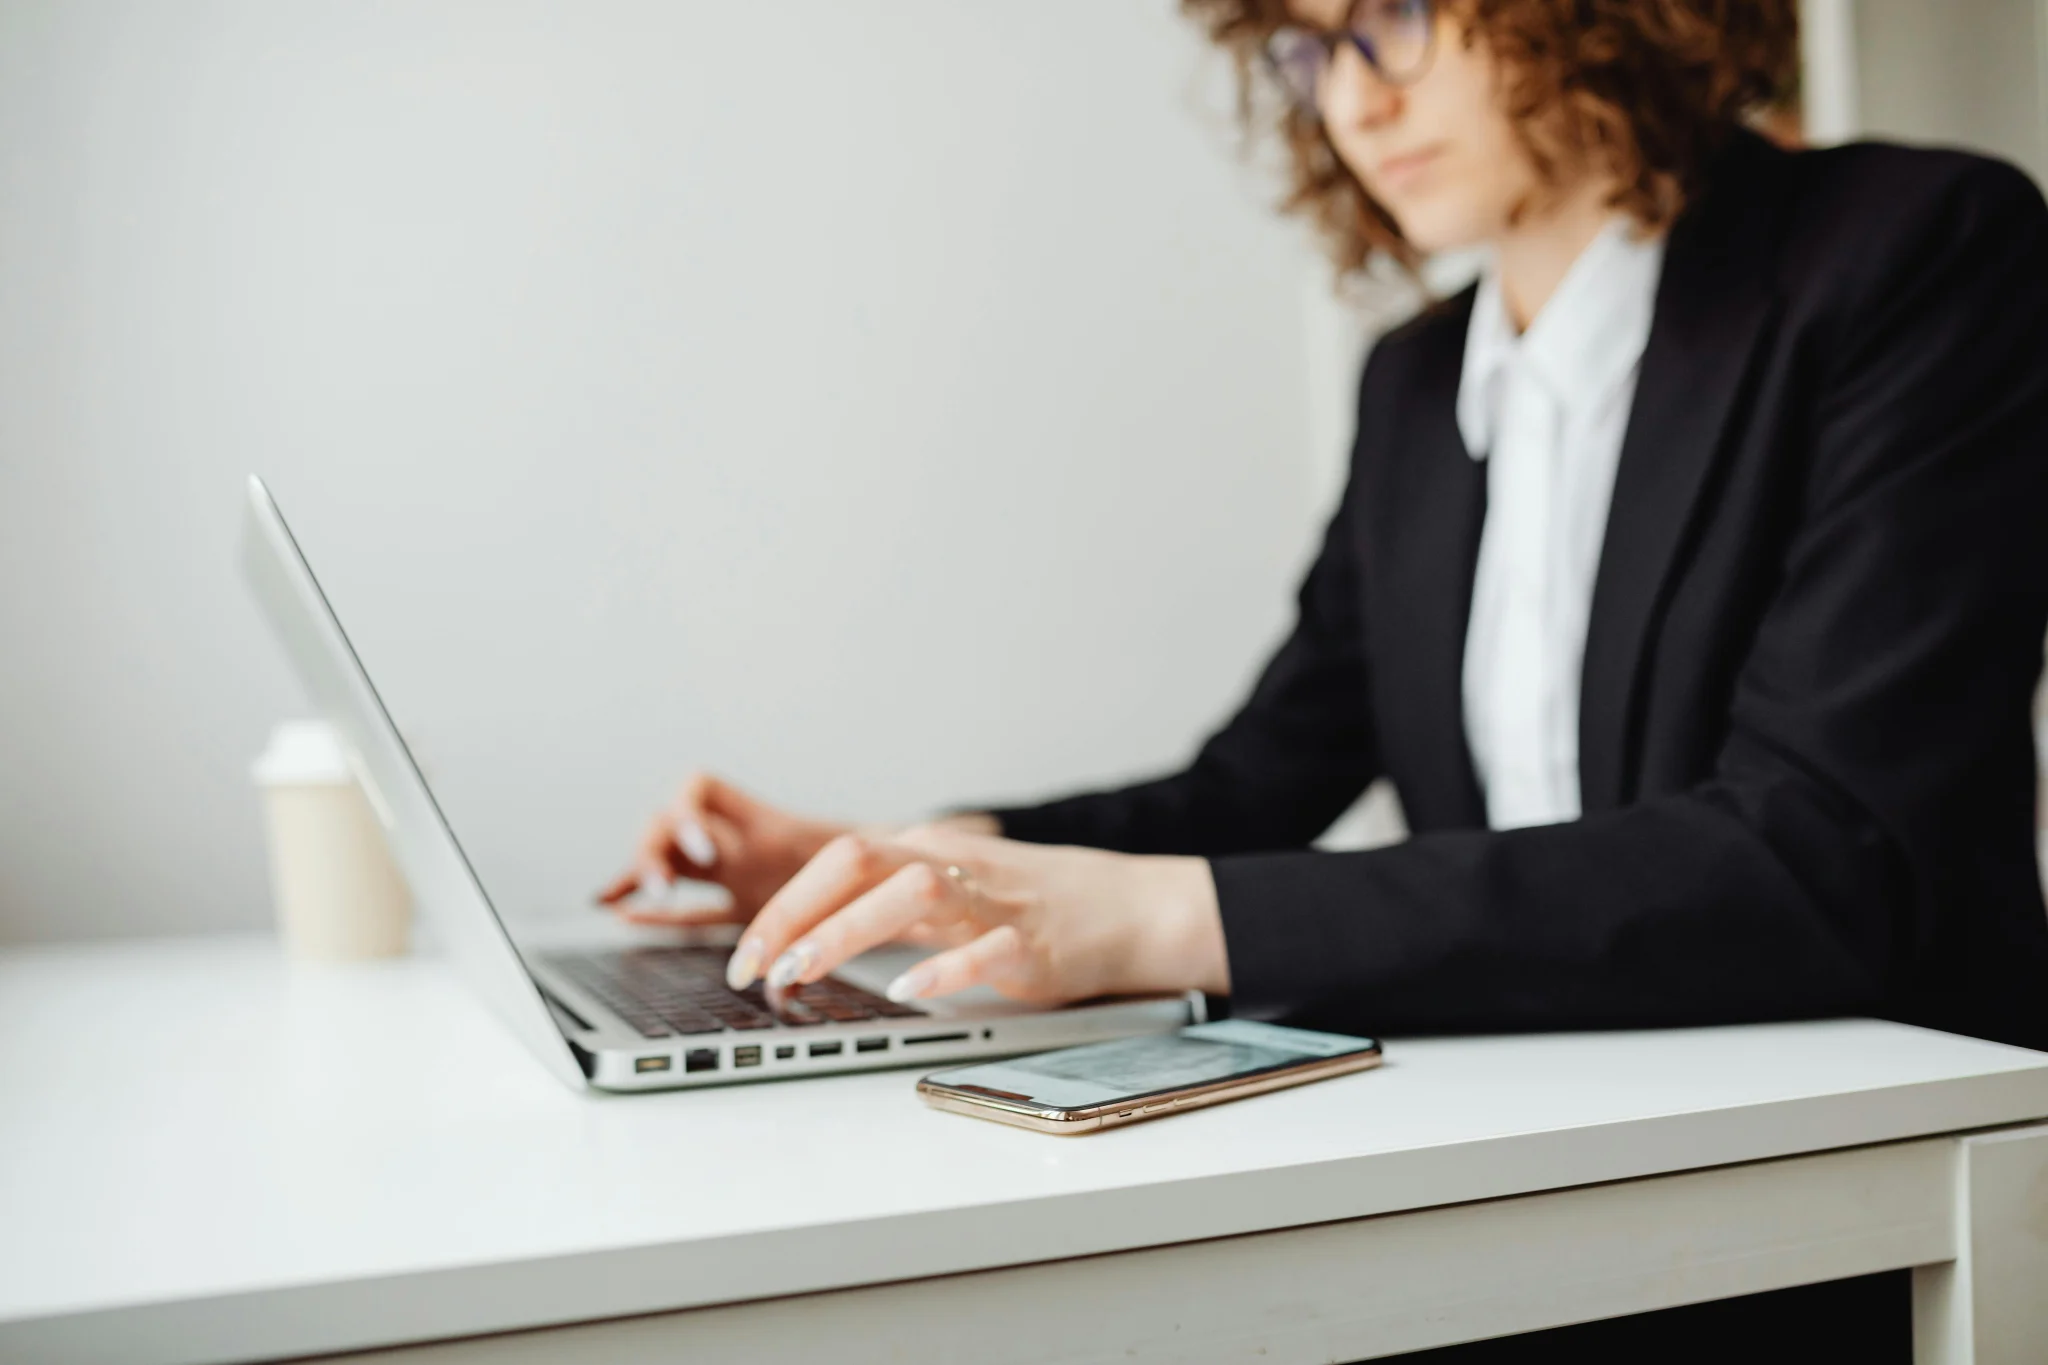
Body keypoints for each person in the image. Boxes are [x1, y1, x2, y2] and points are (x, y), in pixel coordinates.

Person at [600, 1, 2048, 1357]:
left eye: (1395, 15)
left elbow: (1822, 857)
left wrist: (1165, 918)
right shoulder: (1418, 385)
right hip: (1543, 1160)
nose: (1357, 96)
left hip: (1876, 1191)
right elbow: (1261, 775)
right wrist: (925, 859)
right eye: (1306, 49)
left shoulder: (1918, 251)